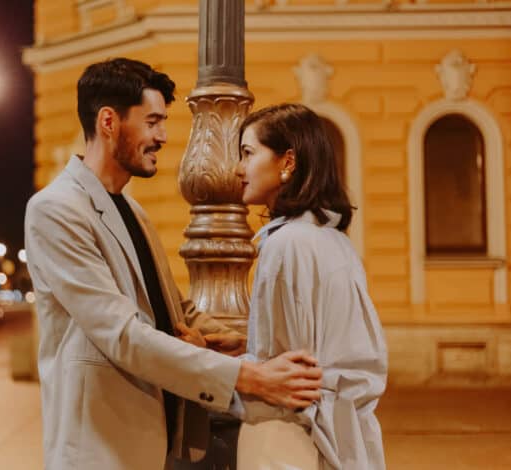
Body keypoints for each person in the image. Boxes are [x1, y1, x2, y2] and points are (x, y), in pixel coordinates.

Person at [23, 59, 323, 470]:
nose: (162, 136)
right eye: (152, 122)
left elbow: (173, 309)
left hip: (157, 441)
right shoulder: (55, 210)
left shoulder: (131, 208)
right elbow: (124, 334)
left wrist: (242, 340)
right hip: (100, 450)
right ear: (109, 121)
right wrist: (248, 378)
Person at [227, 103, 388, 469]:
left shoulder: (286, 244)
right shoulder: (331, 238)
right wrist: (241, 344)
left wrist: (214, 367)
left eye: (248, 153)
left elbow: (280, 372)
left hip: (285, 442)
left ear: (287, 162)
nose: (238, 168)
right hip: (337, 437)